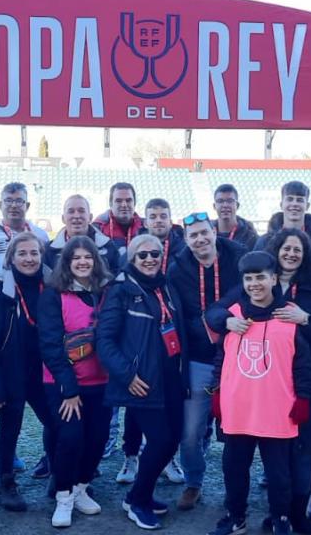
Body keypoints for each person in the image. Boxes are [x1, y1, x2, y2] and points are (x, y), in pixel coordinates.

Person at [205, 251, 311, 535]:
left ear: (274, 279)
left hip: (277, 410)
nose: (255, 284)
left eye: (261, 277)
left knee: (279, 475)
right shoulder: (233, 317)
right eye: (249, 278)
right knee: (233, 469)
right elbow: (222, 357)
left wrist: (303, 398)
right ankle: (235, 517)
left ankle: (280, 519)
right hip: (238, 408)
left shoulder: (289, 315)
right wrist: (216, 392)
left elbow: (303, 364)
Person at [97, 234, 188, 530]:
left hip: (171, 377)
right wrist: (127, 375)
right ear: (132, 259)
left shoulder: (166, 286)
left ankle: (141, 494)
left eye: (155, 253)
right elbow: (105, 340)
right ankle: (137, 500)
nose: (149, 259)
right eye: (142, 255)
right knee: (160, 439)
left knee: (172, 439)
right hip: (142, 381)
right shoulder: (121, 290)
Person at [166, 212, 246, 511]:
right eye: (193, 236)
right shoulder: (178, 269)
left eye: (204, 232)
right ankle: (193, 481)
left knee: (238, 431)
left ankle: (236, 488)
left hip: (236, 357)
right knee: (190, 432)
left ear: (214, 231)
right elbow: (179, 316)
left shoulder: (238, 257)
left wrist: (220, 317)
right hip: (199, 359)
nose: (200, 239)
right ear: (186, 240)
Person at [264, 229, 311, 534]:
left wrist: (306, 319)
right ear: (276, 251)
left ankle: (298, 514)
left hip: (309, 382)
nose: (291, 254)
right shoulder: (261, 283)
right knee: (275, 454)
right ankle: (278, 514)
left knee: (305, 451)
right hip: (269, 382)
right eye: (286, 248)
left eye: (298, 250)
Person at [0, 231, 54, 512]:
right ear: (11, 258)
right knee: (10, 428)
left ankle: (58, 473)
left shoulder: (52, 286)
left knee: (55, 422)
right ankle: (5, 484)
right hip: (12, 373)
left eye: (34, 253)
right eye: (22, 253)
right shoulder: (0, 292)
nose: (29, 258)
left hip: (44, 371)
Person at [39, 236, 111, 528]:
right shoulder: (53, 294)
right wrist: (68, 388)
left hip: (101, 382)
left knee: (98, 439)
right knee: (70, 438)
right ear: (66, 263)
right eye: (76, 257)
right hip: (63, 383)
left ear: (95, 260)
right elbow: (50, 343)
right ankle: (64, 495)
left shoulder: (106, 292)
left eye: (87, 257)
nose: (82, 262)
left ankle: (81, 487)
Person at [116, 198, 187, 486]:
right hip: (141, 362)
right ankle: (131, 456)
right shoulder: (123, 283)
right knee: (139, 413)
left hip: (168, 359)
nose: (159, 220)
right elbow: (109, 334)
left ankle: (166, 459)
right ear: (145, 220)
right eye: (153, 216)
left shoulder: (180, 252)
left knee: (168, 427)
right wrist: (126, 371)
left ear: (171, 219)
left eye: (163, 215)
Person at [0, 182, 50, 276]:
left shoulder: (41, 235)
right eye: (8, 200)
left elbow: (46, 267)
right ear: (0, 205)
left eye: (19, 201)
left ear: (27, 206)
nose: (13, 205)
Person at [255, 181, 311, 267]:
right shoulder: (265, 242)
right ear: (281, 204)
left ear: (307, 206)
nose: (294, 204)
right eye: (290, 199)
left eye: (299, 200)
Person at [45, 194, 120, 273]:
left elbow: (115, 280)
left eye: (81, 211)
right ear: (63, 218)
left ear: (90, 217)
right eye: (71, 211)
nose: (76, 216)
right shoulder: (49, 251)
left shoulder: (108, 247)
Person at [93, 182, 144, 256]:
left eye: (128, 200)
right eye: (119, 201)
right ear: (110, 204)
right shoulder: (97, 229)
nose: (124, 205)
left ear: (134, 203)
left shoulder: (146, 228)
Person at [212, 184, 258, 249]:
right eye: (220, 201)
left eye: (230, 201)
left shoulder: (249, 234)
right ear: (214, 206)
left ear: (237, 205)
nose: (225, 205)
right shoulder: (208, 233)